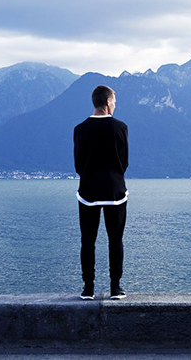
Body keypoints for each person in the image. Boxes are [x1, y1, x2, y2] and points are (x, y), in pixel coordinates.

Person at [73, 85, 129, 300]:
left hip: (88, 191)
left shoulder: (80, 129)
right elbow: (124, 162)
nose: (115, 104)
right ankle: (116, 288)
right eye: (114, 101)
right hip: (115, 191)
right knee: (115, 240)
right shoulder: (120, 127)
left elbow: (78, 163)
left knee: (88, 240)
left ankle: (88, 288)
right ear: (107, 102)